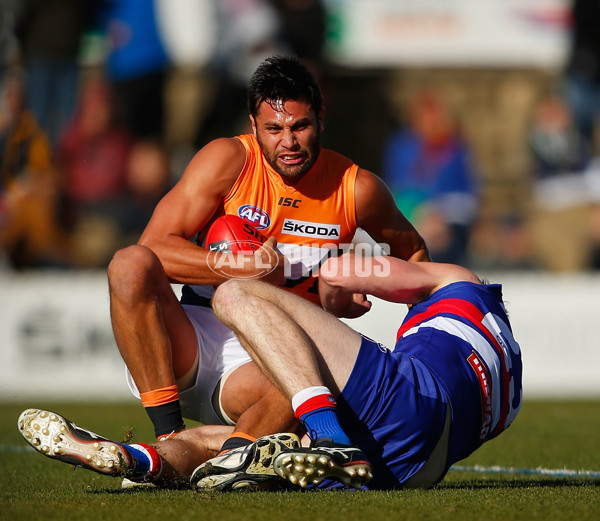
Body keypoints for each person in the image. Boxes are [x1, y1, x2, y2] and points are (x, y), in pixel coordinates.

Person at [106, 54, 429, 464]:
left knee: (304, 377)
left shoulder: (357, 189)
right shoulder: (228, 161)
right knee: (127, 264)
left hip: (268, 364)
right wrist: (238, 269)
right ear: (253, 125)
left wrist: (409, 330)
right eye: (274, 129)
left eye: (300, 126)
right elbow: (152, 247)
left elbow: (414, 253)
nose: (288, 142)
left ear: (320, 119)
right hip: (193, 341)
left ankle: (212, 457)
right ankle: (168, 431)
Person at [18, 253, 522, 491]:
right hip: (413, 472)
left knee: (234, 293)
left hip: (413, 400)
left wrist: (336, 295)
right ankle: (141, 459)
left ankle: (328, 436)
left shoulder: (459, 282)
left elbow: (340, 274)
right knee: (241, 444)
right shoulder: (511, 389)